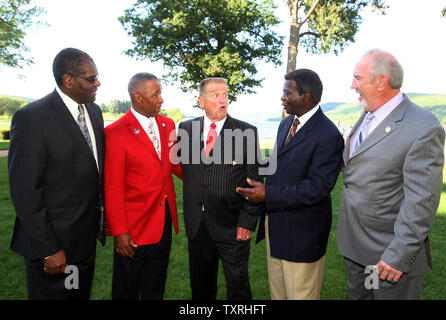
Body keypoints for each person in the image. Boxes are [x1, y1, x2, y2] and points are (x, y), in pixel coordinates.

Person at [337, 49, 445, 300]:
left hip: (388, 260)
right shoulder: (366, 115)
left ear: (381, 81)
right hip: (357, 250)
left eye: (358, 78)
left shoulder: (423, 127)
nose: (352, 85)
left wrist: (398, 255)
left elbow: (422, 200)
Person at [236, 69, 344, 299]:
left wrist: (268, 195)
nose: (282, 97)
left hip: (302, 235)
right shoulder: (287, 124)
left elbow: (317, 188)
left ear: (306, 97)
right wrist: (246, 162)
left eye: (288, 93)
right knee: (279, 294)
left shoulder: (328, 135)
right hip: (276, 228)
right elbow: (277, 162)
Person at [8, 47, 106, 300]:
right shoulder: (32, 118)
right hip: (54, 247)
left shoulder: (94, 112)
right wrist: (49, 249)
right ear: (68, 80)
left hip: (84, 242)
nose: (98, 83)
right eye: (91, 78)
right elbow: (26, 192)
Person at [177, 77, 261, 300]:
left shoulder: (247, 132)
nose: (222, 98)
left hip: (232, 225)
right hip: (197, 225)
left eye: (225, 94)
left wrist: (247, 221)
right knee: (201, 289)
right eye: (215, 94)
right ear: (201, 101)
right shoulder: (186, 129)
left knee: (238, 288)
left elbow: (254, 181)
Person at [104, 72, 182, 300]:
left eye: (161, 93)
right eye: (156, 94)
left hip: (163, 220)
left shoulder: (168, 125)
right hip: (133, 227)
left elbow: (176, 165)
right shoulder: (115, 133)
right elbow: (113, 187)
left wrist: (210, 177)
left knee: (155, 284)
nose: (161, 99)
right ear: (138, 97)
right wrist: (119, 232)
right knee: (126, 288)